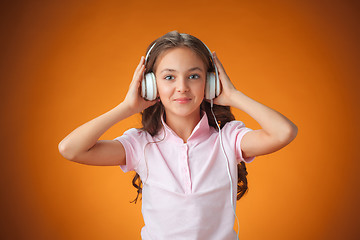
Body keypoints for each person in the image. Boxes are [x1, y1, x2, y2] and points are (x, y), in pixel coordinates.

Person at [58, 30, 298, 240]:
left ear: (211, 82)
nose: (182, 86)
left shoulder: (229, 139)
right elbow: (70, 149)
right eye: (169, 77)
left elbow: (284, 132)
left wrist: (234, 95)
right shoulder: (140, 144)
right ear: (150, 85)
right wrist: (127, 107)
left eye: (194, 76)